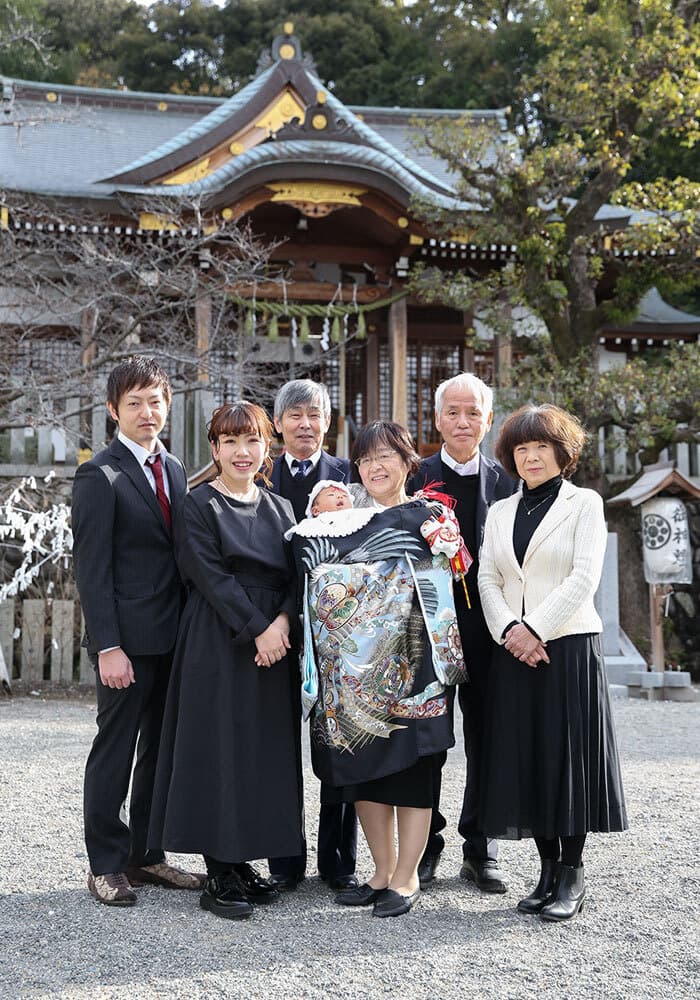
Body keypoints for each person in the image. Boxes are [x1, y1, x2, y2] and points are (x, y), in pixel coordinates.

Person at [299, 420, 467, 918]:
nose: (375, 467)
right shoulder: (339, 522)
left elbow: (454, 577)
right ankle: (381, 870)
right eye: (366, 459)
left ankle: (408, 874)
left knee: (414, 766)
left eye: (386, 456)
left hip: (416, 661)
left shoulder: (430, 514)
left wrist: (447, 546)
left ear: (408, 462)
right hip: (355, 672)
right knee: (363, 767)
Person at [148, 402, 303, 920]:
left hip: (273, 642)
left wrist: (282, 621)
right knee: (219, 747)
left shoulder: (281, 508)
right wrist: (257, 628)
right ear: (215, 449)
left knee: (263, 750)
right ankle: (218, 869)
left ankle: (243, 860)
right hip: (218, 637)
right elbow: (207, 575)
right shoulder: (198, 505)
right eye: (230, 442)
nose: (242, 452)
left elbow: (295, 577)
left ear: (267, 447)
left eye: (252, 440)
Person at [478, 403, 628, 922]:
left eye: (541, 446)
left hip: (566, 646)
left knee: (569, 761)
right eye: (521, 448)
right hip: (515, 651)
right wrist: (509, 631)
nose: (531, 456)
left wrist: (535, 628)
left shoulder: (584, 503)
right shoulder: (499, 512)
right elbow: (487, 580)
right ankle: (545, 871)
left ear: (562, 453)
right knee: (531, 758)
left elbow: (584, 576)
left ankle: (572, 873)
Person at [72, 355, 202, 907]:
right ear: (112, 411)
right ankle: (105, 863)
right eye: (134, 403)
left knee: (160, 751)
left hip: (173, 637)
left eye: (155, 401)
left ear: (168, 405)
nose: (147, 412)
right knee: (115, 749)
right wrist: (108, 646)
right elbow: (92, 569)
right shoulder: (98, 474)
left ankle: (146, 855)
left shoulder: (172, 467)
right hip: (125, 642)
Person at [407, 373, 517, 893]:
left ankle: (481, 846)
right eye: (452, 412)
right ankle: (425, 843)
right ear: (436, 419)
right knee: (427, 740)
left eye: (473, 412)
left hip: (488, 629)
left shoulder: (508, 481)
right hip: (425, 630)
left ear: (488, 420)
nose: (462, 421)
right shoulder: (414, 477)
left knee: (488, 736)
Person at [268, 379, 358, 894]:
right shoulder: (259, 474)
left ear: (328, 422)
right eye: (295, 415)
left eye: (315, 415)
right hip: (276, 631)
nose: (306, 424)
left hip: (338, 634)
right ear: (278, 423)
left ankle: (338, 863)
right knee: (278, 747)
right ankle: (284, 862)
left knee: (339, 747)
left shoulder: (349, 476)